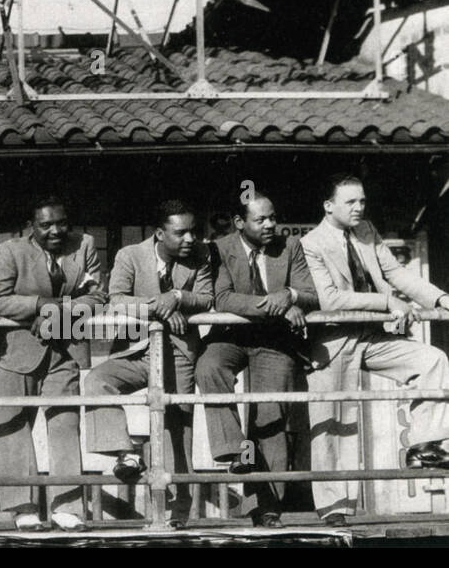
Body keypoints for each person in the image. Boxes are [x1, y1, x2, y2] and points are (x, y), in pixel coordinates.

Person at [302, 173, 449, 525]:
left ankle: (425, 446)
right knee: (332, 424)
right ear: (329, 206)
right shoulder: (311, 243)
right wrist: (387, 303)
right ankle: (334, 510)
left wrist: (441, 297)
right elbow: (331, 298)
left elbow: (397, 273)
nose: (359, 208)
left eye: (362, 201)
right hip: (333, 341)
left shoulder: (367, 231)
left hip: (372, 337)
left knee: (432, 360)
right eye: (350, 202)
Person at [83, 199, 212, 527]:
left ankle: (178, 511)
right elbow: (117, 299)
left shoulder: (201, 255)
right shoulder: (130, 255)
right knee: (97, 381)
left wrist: (179, 297)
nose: (189, 239)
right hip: (136, 349)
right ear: (159, 234)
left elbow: (207, 297)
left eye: (193, 232)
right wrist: (160, 308)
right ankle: (123, 454)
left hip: (179, 352)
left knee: (177, 429)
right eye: (180, 233)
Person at [195, 191, 315, 527]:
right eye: (261, 219)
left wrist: (289, 295)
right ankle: (235, 451)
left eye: (273, 217)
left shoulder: (289, 246)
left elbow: (310, 293)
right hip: (231, 337)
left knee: (269, 418)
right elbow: (221, 298)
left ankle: (265, 508)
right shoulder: (219, 248)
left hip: (273, 341)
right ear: (239, 222)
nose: (270, 225)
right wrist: (274, 307)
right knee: (209, 365)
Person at [0, 196, 105, 531]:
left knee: (65, 424)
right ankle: (22, 507)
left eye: (61, 223)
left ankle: (67, 507)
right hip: (15, 352)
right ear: (30, 226)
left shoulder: (85, 245)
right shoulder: (9, 251)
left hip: (66, 347)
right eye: (46, 225)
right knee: (13, 427)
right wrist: (40, 304)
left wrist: (58, 312)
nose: (55, 231)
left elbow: (97, 296)